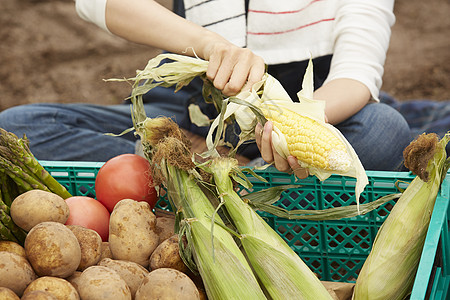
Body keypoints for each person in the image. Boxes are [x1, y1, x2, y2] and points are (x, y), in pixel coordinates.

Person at [0, 0, 448, 177]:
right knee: (20, 128)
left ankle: (211, 174)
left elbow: (358, 72)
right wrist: (211, 44)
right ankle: (236, 173)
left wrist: (300, 122)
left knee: (384, 131)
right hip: (197, 121)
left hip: (320, 118)